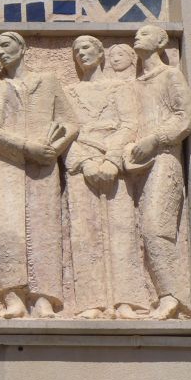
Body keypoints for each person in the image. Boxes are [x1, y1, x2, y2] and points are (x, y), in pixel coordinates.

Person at [0, 31, 78, 318]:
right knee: (7, 229)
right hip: (8, 165)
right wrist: (27, 146)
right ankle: (12, 296)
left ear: (22, 47)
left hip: (44, 166)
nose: (1, 51)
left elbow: (70, 122)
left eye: (6, 45)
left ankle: (44, 297)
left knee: (45, 228)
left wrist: (54, 148)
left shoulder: (47, 81)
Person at [65, 35, 148, 319]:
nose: (81, 54)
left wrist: (112, 158)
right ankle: (91, 302)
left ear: (101, 53)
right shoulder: (69, 92)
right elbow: (65, 132)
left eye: (87, 48)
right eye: (76, 51)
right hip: (83, 165)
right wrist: (85, 161)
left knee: (122, 229)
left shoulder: (119, 88)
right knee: (83, 233)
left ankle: (127, 300)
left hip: (115, 164)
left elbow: (130, 124)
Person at [123, 24, 191, 320]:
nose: (137, 36)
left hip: (164, 158)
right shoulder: (133, 84)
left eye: (145, 33)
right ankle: (153, 295)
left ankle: (173, 296)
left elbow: (185, 117)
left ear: (161, 41)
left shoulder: (170, 75)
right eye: (136, 34)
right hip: (133, 164)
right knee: (136, 230)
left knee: (156, 226)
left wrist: (155, 139)